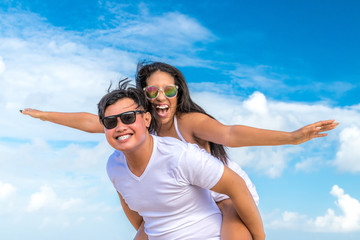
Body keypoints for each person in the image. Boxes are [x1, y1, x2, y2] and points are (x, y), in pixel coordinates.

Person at [21, 62, 338, 239]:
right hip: (183, 195)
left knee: (228, 213)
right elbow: (94, 122)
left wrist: (292, 137)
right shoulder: (141, 126)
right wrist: (45, 115)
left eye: (169, 90)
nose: (161, 96)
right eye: (152, 91)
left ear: (178, 93)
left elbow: (230, 134)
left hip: (223, 191)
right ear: (145, 99)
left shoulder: (189, 122)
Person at [97, 80, 264, 239]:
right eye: (110, 122)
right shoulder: (114, 166)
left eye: (128, 117)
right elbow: (142, 221)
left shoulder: (180, 156)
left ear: (147, 119)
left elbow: (236, 185)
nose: (120, 127)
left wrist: (259, 237)